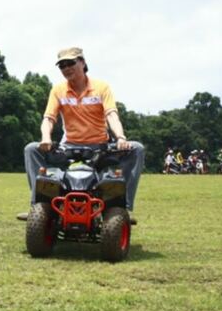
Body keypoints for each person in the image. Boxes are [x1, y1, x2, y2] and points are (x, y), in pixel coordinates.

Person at [20, 47, 145, 222]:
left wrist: (121, 138)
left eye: (71, 63)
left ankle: (121, 207)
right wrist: (46, 138)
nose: (66, 68)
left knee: (136, 149)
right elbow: (48, 119)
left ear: (83, 63)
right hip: (69, 147)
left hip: (100, 148)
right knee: (31, 149)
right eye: (62, 66)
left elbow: (111, 115)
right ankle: (39, 205)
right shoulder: (58, 90)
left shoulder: (101, 87)